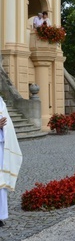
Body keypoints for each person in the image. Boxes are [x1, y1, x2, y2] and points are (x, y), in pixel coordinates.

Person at [0, 97, 23, 227]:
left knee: (1, 182)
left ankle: (0, 215)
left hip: (2, 146)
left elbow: (7, 122)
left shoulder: (1, 100)